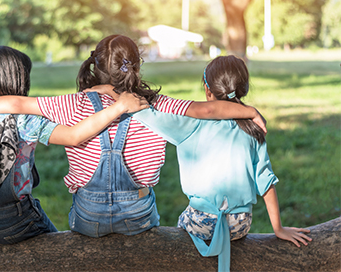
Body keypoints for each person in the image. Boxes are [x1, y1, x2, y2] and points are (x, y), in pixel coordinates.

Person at [0, 35, 267, 238]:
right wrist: (249, 111)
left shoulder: (73, 102)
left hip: (88, 217)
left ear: (96, 67)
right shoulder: (155, 104)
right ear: (136, 67)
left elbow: (18, 103)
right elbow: (207, 110)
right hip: (138, 217)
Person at [0, 46, 148, 244]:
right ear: (18, 81)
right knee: (62, 250)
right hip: (14, 222)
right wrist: (119, 107)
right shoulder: (24, 120)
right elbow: (74, 136)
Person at [130, 55, 312, 271]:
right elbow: (266, 182)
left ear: (208, 91)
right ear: (243, 88)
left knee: (182, 223)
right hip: (240, 224)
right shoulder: (254, 130)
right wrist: (279, 228)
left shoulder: (189, 125)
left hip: (201, 222)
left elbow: (147, 115)